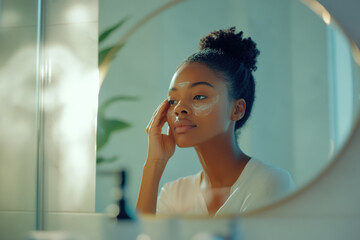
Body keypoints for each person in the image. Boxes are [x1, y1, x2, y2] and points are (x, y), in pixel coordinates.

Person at [136, 27, 294, 217]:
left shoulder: (270, 182)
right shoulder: (173, 194)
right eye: (173, 101)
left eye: (199, 96)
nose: (179, 108)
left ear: (237, 109)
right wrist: (154, 163)